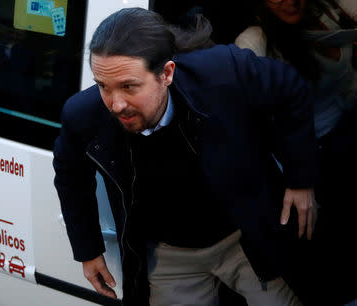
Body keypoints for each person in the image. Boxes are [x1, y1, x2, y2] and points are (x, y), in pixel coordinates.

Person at [53, 7, 318, 306]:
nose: (115, 104)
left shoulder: (223, 71)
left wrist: (300, 178)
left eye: (129, 86)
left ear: (166, 73)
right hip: (169, 257)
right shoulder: (83, 115)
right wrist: (88, 250)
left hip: (244, 237)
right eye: (103, 86)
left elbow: (291, 88)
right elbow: (70, 175)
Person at [235, 1, 356, 305]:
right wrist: (296, 172)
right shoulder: (255, 41)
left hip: (350, 130)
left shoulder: (329, 15)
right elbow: (249, 118)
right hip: (312, 153)